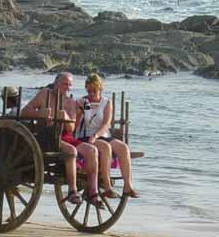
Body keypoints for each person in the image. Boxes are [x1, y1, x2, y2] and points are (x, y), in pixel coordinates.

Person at [21, 72, 104, 207]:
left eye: (69, 85)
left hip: (65, 137)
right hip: (46, 137)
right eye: (65, 84)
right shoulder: (44, 94)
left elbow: (71, 128)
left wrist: (65, 116)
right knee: (71, 151)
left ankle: (92, 191)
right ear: (56, 83)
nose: (67, 87)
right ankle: (72, 191)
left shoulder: (71, 102)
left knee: (92, 150)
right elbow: (24, 112)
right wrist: (39, 113)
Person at [76, 73, 139, 199]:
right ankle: (107, 185)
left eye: (94, 90)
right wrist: (80, 110)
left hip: (101, 134)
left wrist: (96, 135)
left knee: (124, 148)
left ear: (100, 88)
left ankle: (128, 186)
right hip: (85, 136)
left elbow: (106, 124)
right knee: (105, 147)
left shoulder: (106, 102)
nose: (91, 93)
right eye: (89, 90)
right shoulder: (83, 101)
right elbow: (75, 124)